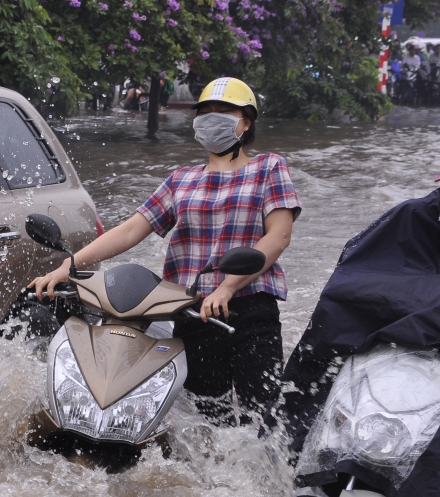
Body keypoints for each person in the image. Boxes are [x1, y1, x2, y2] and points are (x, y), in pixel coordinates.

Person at [29, 77, 301, 426]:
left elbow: (278, 236)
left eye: (224, 111)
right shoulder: (181, 180)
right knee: (208, 425)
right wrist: (67, 267)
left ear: (246, 122)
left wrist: (228, 287)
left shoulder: (269, 168)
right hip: (194, 314)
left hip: (250, 310)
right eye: (206, 112)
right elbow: (129, 230)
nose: (212, 118)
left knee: (264, 420)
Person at [267, 144, 440, 497]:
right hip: (393, 348)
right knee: (316, 374)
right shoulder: (408, 218)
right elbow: (357, 279)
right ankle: (293, 465)